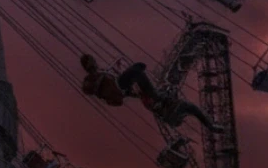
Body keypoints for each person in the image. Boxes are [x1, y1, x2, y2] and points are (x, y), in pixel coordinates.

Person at [80, 55, 220, 132]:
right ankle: (137, 71)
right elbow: (87, 88)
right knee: (136, 72)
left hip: (122, 89)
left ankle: (137, 71)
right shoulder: (181, 106)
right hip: (120, 88)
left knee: (137, 73)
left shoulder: (171, 108)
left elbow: (137, 94)